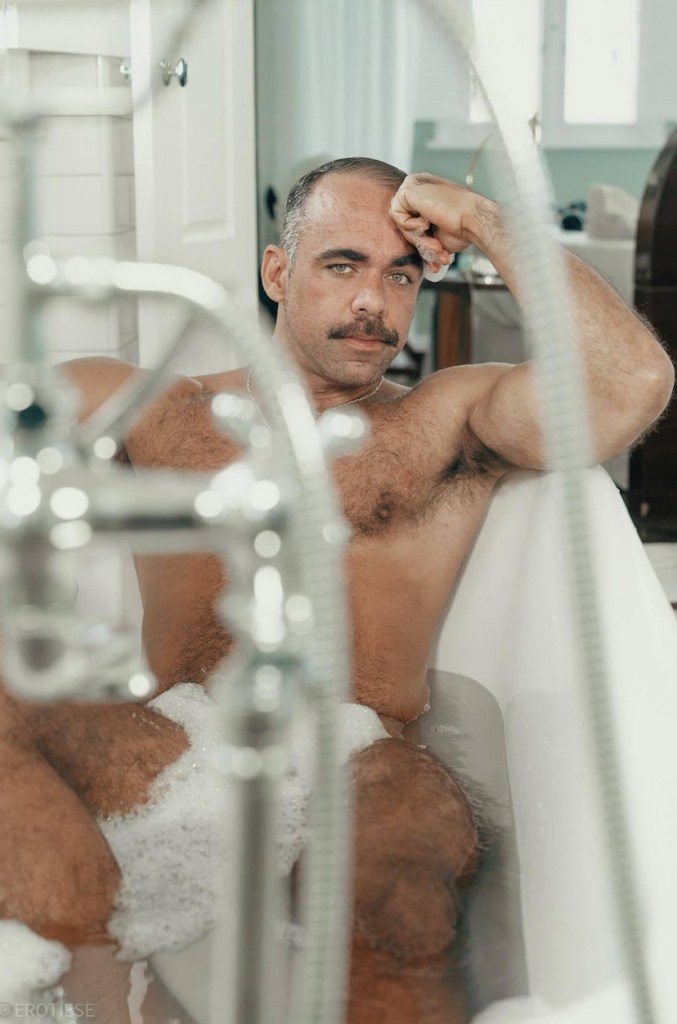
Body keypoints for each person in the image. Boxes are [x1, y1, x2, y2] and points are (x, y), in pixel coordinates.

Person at [0, 158, 673, 1023]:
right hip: (164, 747)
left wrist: (482, 219)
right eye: (343, 264)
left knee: (395, 904)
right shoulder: (154, 409)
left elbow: (629, 384)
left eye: (401, 274)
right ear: (277, 273)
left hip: (363, 760)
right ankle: (99, 983)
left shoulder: (445, 421)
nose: (372, 302)